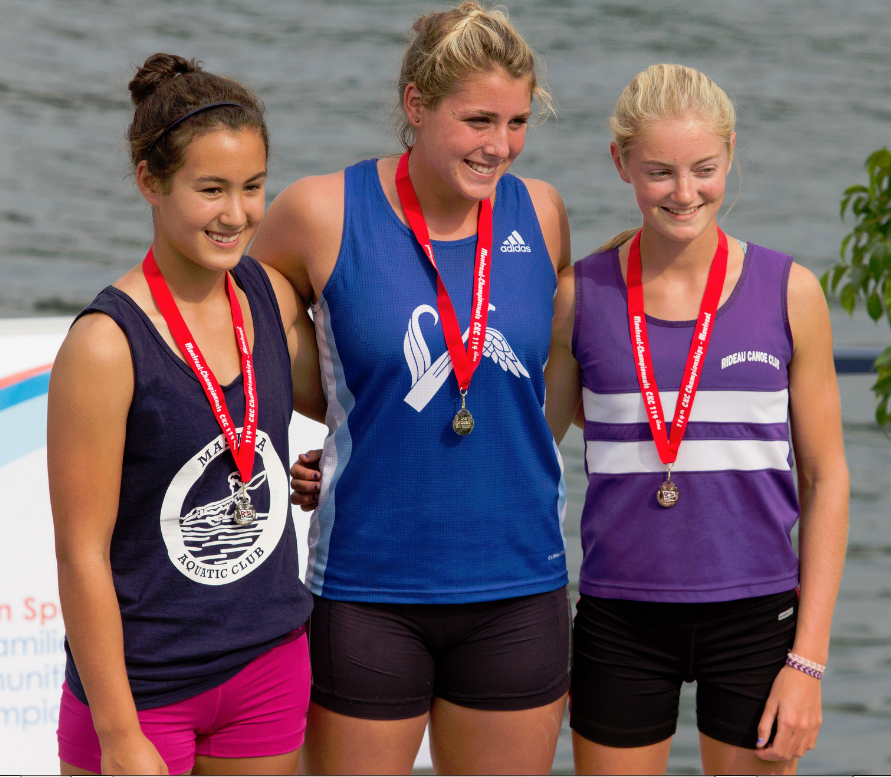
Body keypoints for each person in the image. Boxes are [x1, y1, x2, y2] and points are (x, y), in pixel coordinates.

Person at [249, 2, 572, 773]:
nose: (499, 146)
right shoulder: (322, 211)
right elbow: (243, 321)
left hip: (518, 586)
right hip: (368, 588)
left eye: (516, 122)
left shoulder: (542, 211)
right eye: (477, 120)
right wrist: (347, 428)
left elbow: (548, 358)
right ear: (416, 105)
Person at [544, 64, 849, 776]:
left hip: (758, 618)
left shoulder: (791, 292)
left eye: (703, 169)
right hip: (619, 616)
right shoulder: (577, 299)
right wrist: (344, 459)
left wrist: (807, 661)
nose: (684, 193)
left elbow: (826, 478)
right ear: (620, 162)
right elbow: (522, 454)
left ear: (730, 155)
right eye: (659, 172)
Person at [48, 53, 325, 776]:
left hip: (268, 663)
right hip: (143, 688)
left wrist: (332, 466)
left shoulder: (270, 295)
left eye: (253, 186)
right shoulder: (105, 345)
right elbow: (80, 553)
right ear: (150, 182)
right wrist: (118, 734)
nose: (237, 214)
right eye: (210, 190)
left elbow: (348, 404)